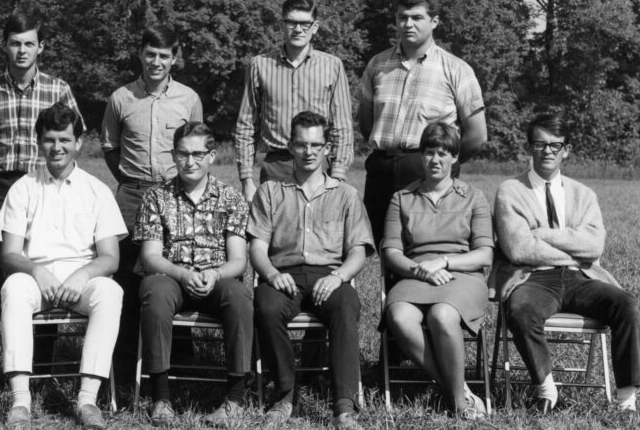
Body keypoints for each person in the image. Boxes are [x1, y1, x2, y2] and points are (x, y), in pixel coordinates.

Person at [494, 113, 640, 414]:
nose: (547, 151)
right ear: (530, 147)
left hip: (581, 277)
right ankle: (547, 390)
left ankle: (626, 400)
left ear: (567, 150)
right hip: (531, 278)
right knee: (521, 310)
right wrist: (573, 245)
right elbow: (519, 249)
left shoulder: (584, 195)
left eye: (555, 145)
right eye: (540, 144)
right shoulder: (509, 191)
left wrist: (543, 235)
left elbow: (594, 245)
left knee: (628, 304)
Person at [0, 102, 126, 429]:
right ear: (39, 142)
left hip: (81, 279)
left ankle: (87, 398)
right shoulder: (22, 188)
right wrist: (36, 271)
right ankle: (20, 400)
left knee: (110, 293)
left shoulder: (97, 191)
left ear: (79, 143)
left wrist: (82, 274)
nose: (57, 147)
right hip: (35, 278)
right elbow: (10, 254)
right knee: (13, 287)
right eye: (50, 140)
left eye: (65, 140)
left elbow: (110, 258)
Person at [249, 112, 374, 429]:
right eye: (302, 144)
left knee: (347, 306)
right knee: (266, 307)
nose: (309, 152)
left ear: (327, 148)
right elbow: (258, 248)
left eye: (316, 145)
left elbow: (358, 251)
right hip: (283, 274)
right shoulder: (271, 192)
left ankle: (344, 407)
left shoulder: (345, 194)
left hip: (329, 276)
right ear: (290, 146)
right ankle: (285, 394)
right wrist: (271, 274)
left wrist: (339, 277)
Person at [100, 24, 203, 388]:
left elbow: (195, 146)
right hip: (132, 195)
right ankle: (125, 365)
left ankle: (180, 362)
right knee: (127, 276)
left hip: (175, 194)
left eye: (164, 56)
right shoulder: (121, 97)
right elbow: (110, 148)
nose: (156, 62)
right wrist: (132, 182)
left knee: (175, 269)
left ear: (174, 58)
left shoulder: (188, 98)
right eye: (150, 54)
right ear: (140, 54)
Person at [134, 122, 252, 427]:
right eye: (183, 154)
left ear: (212, 155)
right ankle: (161, 398)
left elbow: (239, 260)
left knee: (240, 296)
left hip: (217, 278)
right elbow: (150, 257)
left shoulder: (231, 198)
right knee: (155, 292)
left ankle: (235, 399)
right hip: (171, 277)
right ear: (174, 155)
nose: (191, 161)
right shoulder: (156, 197)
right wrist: (183, 274)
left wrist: (214, 273)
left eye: (198, 154)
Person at [0, 11, 82, 298]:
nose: (22, 51)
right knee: (7, 261)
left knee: (44, 255)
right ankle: (9, 327)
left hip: (44, 183)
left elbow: (74, 138)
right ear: (4, 45)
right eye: (15, 43)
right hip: (1, 185)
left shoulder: (58, 89)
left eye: (29, 44)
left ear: (41, 47)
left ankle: (44, 336)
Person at [357, 0, 486, 245]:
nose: (408, 24)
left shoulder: (456, 69)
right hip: (382, 169)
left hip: (426, 169)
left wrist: (449, 160)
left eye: (417, 17)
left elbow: (477, 135)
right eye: (402, 17)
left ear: (434, 21)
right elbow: (367, 122)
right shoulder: (377, 64)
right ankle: (386, 288)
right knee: (381, 246)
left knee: (424, 244)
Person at [381, 122, 493, 420]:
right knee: (399, 316)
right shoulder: (401, 198)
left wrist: (443, 262)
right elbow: (391, 252)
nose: (435, 160)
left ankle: (458, 399)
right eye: (429, 152)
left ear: (455, 157)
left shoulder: (474, 197)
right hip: (415, 274)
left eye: (443, 153)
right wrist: (421, 270)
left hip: (461, 275)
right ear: (421, 155)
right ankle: (457, 389)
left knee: (442, 315)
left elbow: (484, 254)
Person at [233, 0, 354, 203]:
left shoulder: (332, 66)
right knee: (274, 232)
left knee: (318, 232)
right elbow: (246, 124)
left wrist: (338, 175)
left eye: (305, 23)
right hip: (276, 166)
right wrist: (246, 179)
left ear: (315, 26)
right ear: (282, 25)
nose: (298, 29)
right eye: (291, 22)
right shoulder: (260, 65)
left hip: (317, 163)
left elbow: (342, 126)